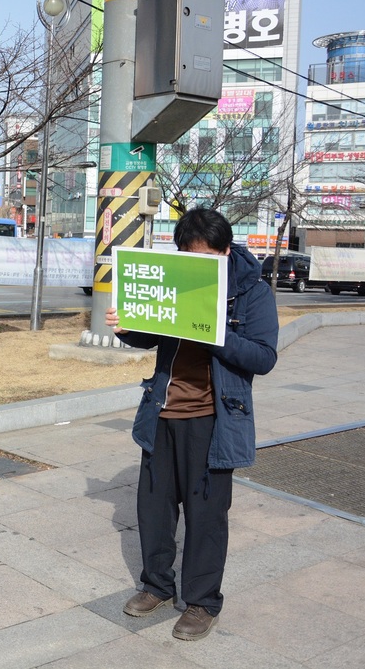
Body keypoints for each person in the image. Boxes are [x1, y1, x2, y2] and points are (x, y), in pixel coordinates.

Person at [107, 207, 278, 641]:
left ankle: (202, 602)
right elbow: (153, 332)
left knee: (206, 515)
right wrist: (127, 328)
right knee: (154, 509)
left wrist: (214, 331)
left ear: (225, 250)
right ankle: (157, 586)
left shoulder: (252, 292)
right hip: (161, 412)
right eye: (189, 255)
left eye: (207, 257)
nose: (199, 265)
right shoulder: (175, 278)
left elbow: (263, 357)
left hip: (213, 420)